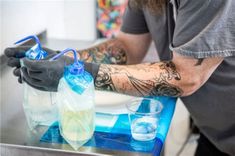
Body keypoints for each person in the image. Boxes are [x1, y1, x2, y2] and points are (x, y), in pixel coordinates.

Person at [4, 0, 235, 155]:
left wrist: (82, 71)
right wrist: (62, 58)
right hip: (214, 133)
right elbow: (127, 46)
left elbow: (186, 76)